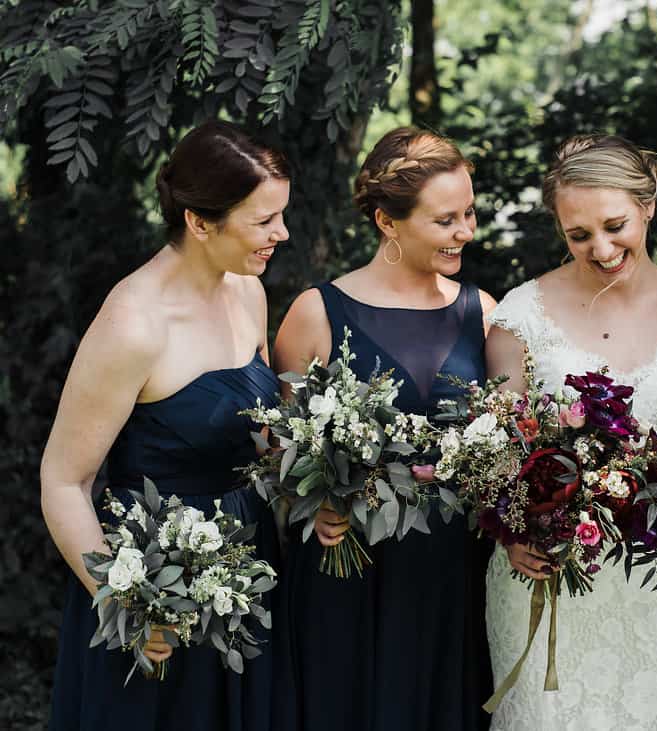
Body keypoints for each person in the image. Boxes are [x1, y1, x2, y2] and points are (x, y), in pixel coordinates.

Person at [42, 120, 290, 731]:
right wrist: (127, 604)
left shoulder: (247, 292)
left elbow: (255, 436)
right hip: (154, 576)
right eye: (263, 221)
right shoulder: (134, 324)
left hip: (244, 567)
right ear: (200, 222)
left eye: (281, 215)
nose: (281, 234)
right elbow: (63, 482)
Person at [272, 127, 496, 731]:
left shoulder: (484, 313)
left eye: (470, 212)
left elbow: (509, 443)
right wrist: (310, 500)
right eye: (445, 219)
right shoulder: (316, 312)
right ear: (388, 222)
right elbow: (277, 451)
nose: (466, 232)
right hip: (348, 567)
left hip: (452, 574)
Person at [484, 134, 657, 729]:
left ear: (649, 205)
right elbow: (500, 448)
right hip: (547, 567)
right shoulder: (521, 314)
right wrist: (513, 533)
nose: (601, 249)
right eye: (578, 235)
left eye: (615, 226)